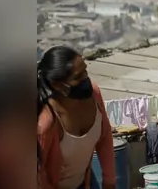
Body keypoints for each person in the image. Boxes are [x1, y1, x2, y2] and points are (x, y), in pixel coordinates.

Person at [37, 46, 116, 189]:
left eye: (85, 71)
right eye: (78, 77)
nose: (86, 79)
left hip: (83, 181)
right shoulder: (46, 124)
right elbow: (36, 176)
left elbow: (105, 138)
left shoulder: (94, 95)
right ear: (58, 85)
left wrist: (109, 182)